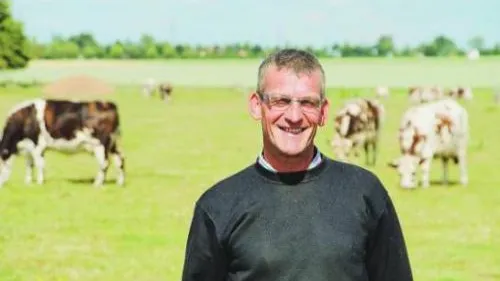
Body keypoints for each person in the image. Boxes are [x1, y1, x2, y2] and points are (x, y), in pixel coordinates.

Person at [181, 48, 413, 281]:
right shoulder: (217, 207)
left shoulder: (365, 193)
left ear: (323, 112)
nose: (294, 116)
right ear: (256, 105)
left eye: (307, 103)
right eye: (280, 101)